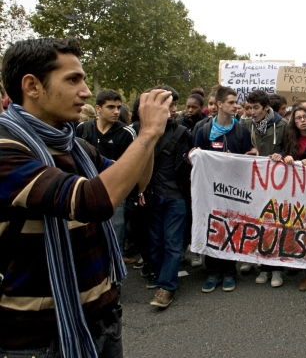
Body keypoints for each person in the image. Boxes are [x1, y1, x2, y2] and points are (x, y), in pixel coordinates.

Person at [0, 37, 171, 358]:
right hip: (40, 338)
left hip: (102, 320)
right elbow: (92, 200)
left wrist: (152, 135)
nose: (86, 92)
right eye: (72, 79)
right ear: (32, 86)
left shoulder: (76, 148)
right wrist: (147, 132)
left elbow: (133, 183)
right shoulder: (6, 148)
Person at [192, 86, 253, 292]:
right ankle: (212, 272)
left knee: (232, 229)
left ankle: (229, 271)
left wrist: (245, 157)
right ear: (219, 104)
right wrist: (195, 155)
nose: (236, 105)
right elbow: (194, 159)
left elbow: (250, 159)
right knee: (212, 228)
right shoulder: (204, 131)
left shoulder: (241, 131)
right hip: (210, 192)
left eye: (236, 102)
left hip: (234, 191)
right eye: (230, 102)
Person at [138, 85, 193, 309]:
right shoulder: (141, 130)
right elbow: (136, 163)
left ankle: (166, 288)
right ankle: (162, 277)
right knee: (155, 242)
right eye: (168, 104)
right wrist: (139, 189)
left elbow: (191, 164)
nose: (173, 109)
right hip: (151, 195)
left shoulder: (182, 133)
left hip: (176, 196)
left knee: (173, 243)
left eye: (174, 105)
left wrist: (192, 158)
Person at [77, 89, 137, 260]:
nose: (116, 111)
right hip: (85, 191)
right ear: (98, 109)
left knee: (113, 239)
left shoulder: (127, 132)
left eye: (118, 107)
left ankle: (114, 279)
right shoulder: (83, 129)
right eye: (111, 107)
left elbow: (133, 166)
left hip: (114, 194)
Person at [270, 105, 306, 291]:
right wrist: (284, 156)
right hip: (296, 191)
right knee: (302, 229)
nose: (302, 120)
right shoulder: (289, 136)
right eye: (298, 118)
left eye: (305, 117)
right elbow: (282, 152)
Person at [241, 89, 288, 286]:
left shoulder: (283, 125)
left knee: (276, 223)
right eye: (249, 108)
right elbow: (241, 148)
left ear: (266, 107)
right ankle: (262, 265)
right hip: (254, 182)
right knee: (258, 223)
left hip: (277, 182)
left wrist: (282, 156)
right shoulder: (245, 124)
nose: (252, 112)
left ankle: (276, 269)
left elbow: (289, 150)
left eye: (256, 108)